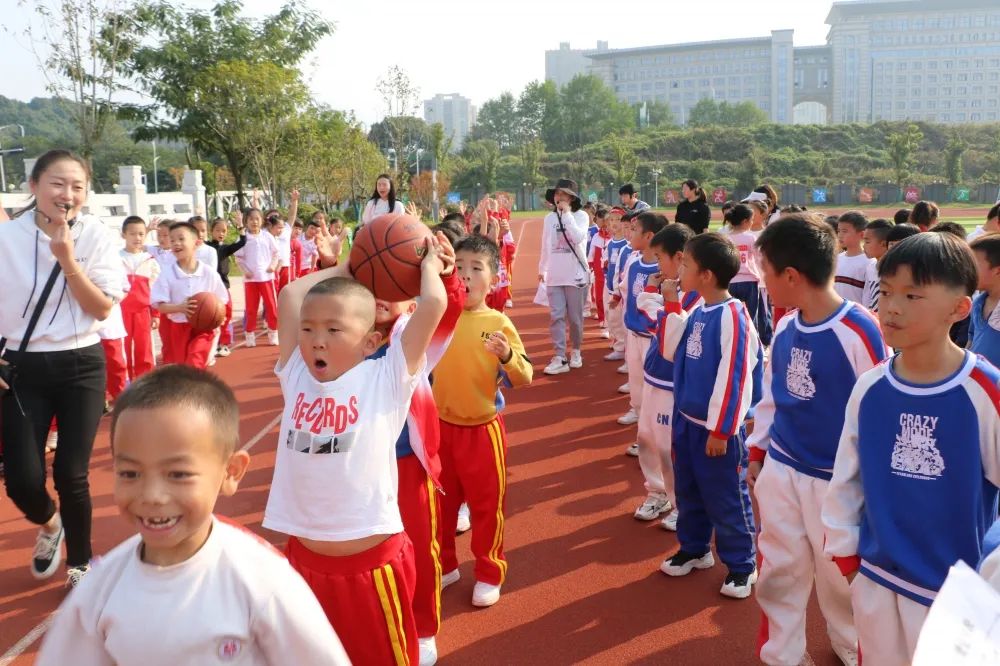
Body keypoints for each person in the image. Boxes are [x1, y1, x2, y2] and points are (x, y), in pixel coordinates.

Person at [35, 366, 351, 666]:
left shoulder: (261, 578)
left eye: (178, 474)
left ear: (231, 471)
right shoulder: (101, 589)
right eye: (130, 473)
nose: (152, 496)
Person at [265, 228, 450, 665]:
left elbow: (434, 305)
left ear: (371, 341)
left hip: (372, 564)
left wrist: (427, 268)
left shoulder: (385, 378)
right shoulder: (296, 378)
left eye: (333, 329)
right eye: (308, 330)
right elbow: (291, 294)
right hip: (304, 561)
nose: (316, 339)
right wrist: (349, 268)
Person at [822, 232, 1000, 665]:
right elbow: (847, 477)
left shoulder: (985, 391)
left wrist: (986, 583)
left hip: (955, 595)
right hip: (878, 580)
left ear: (959, 308)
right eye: (885, 291)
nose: (892, 307)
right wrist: (848, 559)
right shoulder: (870, 387)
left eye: (913, 295)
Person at [748, 214, 889, 666]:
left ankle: (850, 645)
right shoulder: (787, 326)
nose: (761, 281)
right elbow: (773, 395)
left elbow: (879, 411)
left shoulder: (860, 329)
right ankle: (783, 654)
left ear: (790, 276)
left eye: (764, 271)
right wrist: (758, 449)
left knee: (839, 579)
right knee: (779, 570)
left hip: (836, 483)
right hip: (785, 469)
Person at [0, 150, 125, 587]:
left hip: (80, 364)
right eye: (56, 183)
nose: (66, 194)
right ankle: (50, 524)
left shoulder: (95, 236)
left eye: (77, 186)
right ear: (32, 186)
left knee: (72, 472)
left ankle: (81, 564)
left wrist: (68, 259)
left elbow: (103, 307)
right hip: (18, 367)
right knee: (20, 480)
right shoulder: (6, 238)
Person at [366, 242, 465, 666]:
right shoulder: (343, 333)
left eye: (395, 284)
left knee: (420, 548)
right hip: (360, 466)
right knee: (370, 551)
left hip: (408, 462)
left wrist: (444, 276)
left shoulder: (412, 334)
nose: (383, 295)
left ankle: (423, 627)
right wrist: (332, 264)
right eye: (374, 284)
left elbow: (448, 311)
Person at [656, 233, 762, 599]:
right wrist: (671, 304)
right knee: (689, 491)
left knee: (726, 497)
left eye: (685, 264)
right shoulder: (697, 309)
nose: (677, 270)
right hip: (687, 422)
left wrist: (721, 430)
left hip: (718, 431)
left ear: (707, 275)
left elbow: (735, 375)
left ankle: (742, 565)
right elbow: (670, 351)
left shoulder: (734, 316)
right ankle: (695, 547)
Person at [434, 234, 533, 608]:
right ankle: (445, 566)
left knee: (485, 507)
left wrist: (507, 355)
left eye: (477, 268)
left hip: (482, 431)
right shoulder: (440, 316)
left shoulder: (498, 322)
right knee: (440, 508)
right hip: (440, 429)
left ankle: (489, 572)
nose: (467, 275)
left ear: (494, 278)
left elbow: (525, 375)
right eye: (459, 268)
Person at [632, 223, 701, 531]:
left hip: (674, 384)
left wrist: (656, 297)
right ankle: (657, 492)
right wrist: (657, 298)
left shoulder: (695, 297)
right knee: (646, 438)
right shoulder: (673, 290)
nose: (656, 264)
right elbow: (653, 318)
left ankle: (680, 504)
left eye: (659, 257)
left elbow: (660, 324)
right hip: (654, 377)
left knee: (668, 447)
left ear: (678, 257)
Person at [152, 222, 229, 369]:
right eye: (172, 240)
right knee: (183, 370)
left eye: (181, 239)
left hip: (205, 329)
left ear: (197, 243)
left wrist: (220, 316)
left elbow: (222, 300)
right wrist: (180, 307)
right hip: (179, 328)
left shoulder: (209, 273)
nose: (176, 243)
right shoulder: (167, 274)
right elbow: (160, 306)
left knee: (195, 362)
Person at [617, 212, 667, 431]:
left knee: (651, 386)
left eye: (635, 230)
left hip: (651, 337)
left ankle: (649, 428)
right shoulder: (633, 263)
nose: (630, 233)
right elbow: (625, 290)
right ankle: (636, 411)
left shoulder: (662, 270)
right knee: (635, 381)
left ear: (649, 236)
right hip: (634, 332)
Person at [539, 179, 589, 376]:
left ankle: (576, 351)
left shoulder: (581, 216)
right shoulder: (548, 219)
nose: (559, 197)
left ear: (572, 198)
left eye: (564, 194)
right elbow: (545, 244)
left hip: (575, 275)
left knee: (575, 319)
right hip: (555, 274)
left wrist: (567, 214)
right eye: (557, 194)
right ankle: (559, 356)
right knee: (556, 316)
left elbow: (577, 238)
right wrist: (542, 268)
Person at [724, 203, 771, 346]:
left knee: (732, 315)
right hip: (749, 282)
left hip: (731, 281)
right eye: (751, 220)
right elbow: (759, 258)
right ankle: (753, 346)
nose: (752, 223)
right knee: (751, 316)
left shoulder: (726, 238)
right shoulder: (750, 238)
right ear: (745, 221)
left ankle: (733, 343)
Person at [119, 216, 160, 380]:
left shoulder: (150, 261)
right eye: (132, 234)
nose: (137, 238)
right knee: (123, 350)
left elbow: (155, 290)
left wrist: (156, 313)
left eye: (141, 234)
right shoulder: (115, 258)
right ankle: (125, 383)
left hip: (143, 312)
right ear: (123, 235)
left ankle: (146, 382)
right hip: (121, 312)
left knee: (144, 350)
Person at [234, 208, 279, 347]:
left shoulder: (267, 236)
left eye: (257, 219)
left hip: (266, 278)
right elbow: (238, 258)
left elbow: (276, 254)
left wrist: (272, 265)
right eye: (251, 219)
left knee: (272, 307)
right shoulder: (243, 238)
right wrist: (245, 270)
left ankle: (273, 332)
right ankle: (249, 334)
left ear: (262, 221)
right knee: (251, 309)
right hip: (251, 280)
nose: (254, 222)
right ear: (246, 222)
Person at [205, 214, 247, 358]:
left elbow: (242, 242)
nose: (221, 233)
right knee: (211, 316)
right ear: (211, 231)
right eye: (218, 230)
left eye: (224, 231)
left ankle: (223, 344)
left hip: (223, 286)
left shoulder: (225, 249)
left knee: (226, 314)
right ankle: (211, 344)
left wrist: (240, 225)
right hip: (210, 288)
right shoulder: (206, 247)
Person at [603, 208, 630, 363]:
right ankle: (618, 342)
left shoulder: (626, 244)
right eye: (611, 220)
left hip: (620, 289)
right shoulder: (611, 242)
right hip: (610, 285)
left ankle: (621, 348)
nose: (613, 223)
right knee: (611, 316)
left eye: (617, 220)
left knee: (618, 318)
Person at [969, 234, 1000, 368]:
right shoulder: (977, 302)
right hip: (979, 386)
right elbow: (971, 341)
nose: (967, 271)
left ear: (997, 270)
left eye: (973, 266)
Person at [834, 211, 874, 305]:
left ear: (862, 235)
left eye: (845, 231)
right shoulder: (836, 259)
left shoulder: (869, 262)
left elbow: (867, 298)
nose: (840, 235)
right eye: (838, 231)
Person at [862, 218, 893, 313]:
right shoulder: (870, 266)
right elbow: (866, 297)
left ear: (884, 244)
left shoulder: (894, 270)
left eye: (867, 242)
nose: (863, 246)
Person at [588, 205, 611, 332]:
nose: (603, 223)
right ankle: (602, 320)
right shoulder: (596, 236)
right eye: (600, 220)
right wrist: (590, 264)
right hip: (598, 273)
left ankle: (609, 324)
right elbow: (591, 253)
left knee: (610, 299)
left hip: (610, 274)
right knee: (600, 297)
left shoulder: (615, 238)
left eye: (606, 220)